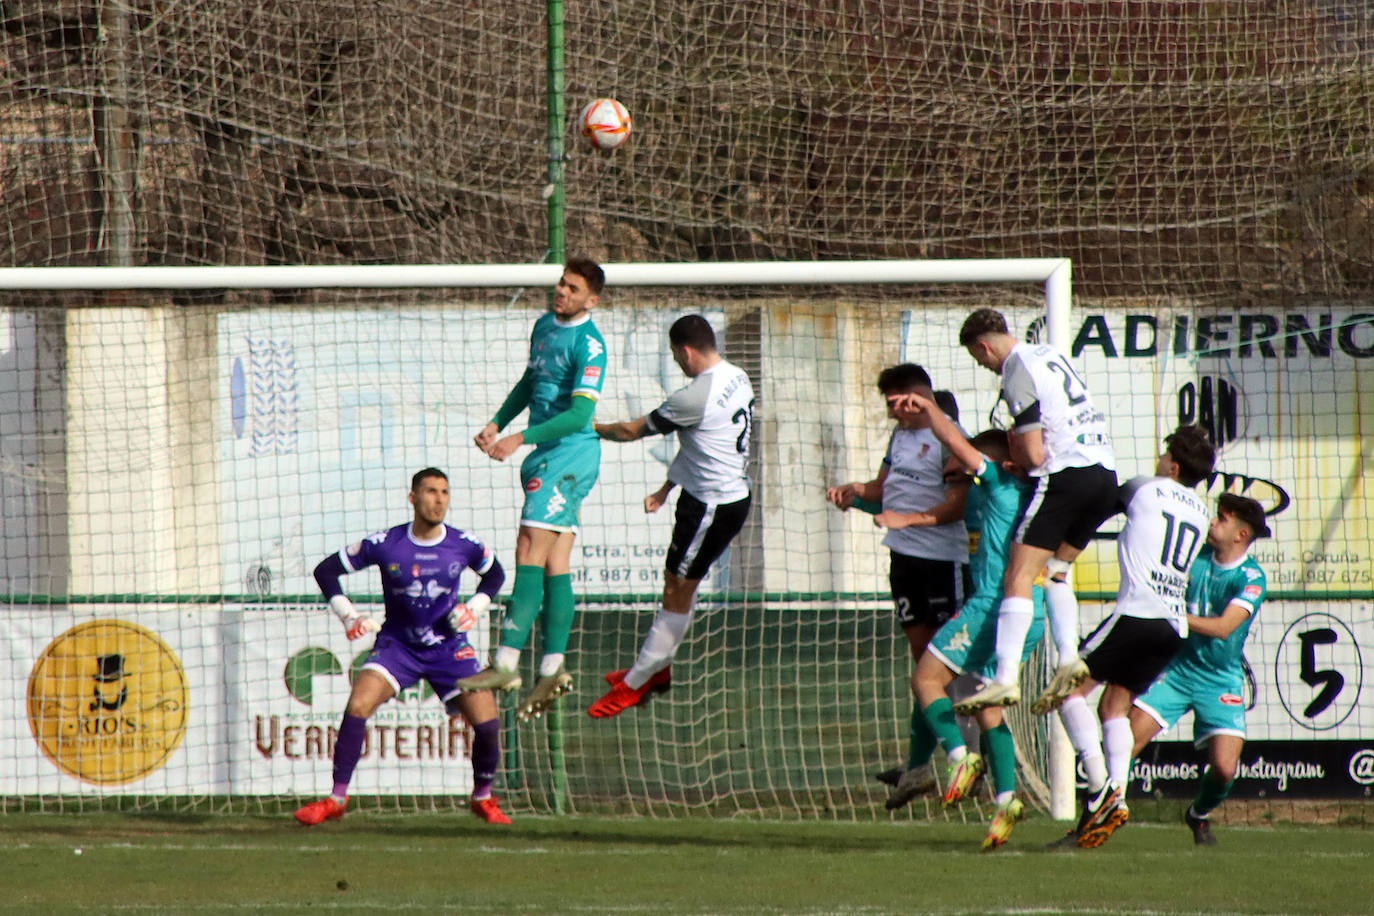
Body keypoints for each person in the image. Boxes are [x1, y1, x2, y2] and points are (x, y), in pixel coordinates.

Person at [294, 468, 510, 827]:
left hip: (450, 649)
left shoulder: (464, 543)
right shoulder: (386, 543)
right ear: (413, 497)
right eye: (430, 491)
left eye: (444, 492)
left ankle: (483, 798)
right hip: (398, 647)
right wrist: (348, 616)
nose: (439, 499)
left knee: (487, 725)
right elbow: (325, 571)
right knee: (358, 704)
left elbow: (496, 574)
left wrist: (474, 608)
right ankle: (336, 799)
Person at [883, 391, 1047, 850]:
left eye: (968, 465)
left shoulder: (998, 485)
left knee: (926, 680)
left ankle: (960, 758)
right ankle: (1007, 800)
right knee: (988, 706)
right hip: (1028, 614)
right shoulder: (1024, 500)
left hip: (992, 607)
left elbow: (958, 444)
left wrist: (930, 412)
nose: (959, 470)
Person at [1050, 424, 1215, 849]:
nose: (1157, 461)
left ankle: (1100, 788)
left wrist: (1062, 549)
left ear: (1172, 465)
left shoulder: (1146, 488)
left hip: (1136, 614)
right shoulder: (1199, 511)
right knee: (1114, 705)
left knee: (1066, 692)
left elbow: (1100, 504)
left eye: (1164, 456)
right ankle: (1116, 797)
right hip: (1172, 625)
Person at [459, 258, 609, 720]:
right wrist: (497, 421)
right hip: (546, 453)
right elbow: (531, 382)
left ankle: (505, 662)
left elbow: (581, 417)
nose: (561, 291)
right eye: (561, 283)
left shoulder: (592, 345)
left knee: (528, 547)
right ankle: (552, 666)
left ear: (592, 299)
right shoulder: (544, 324)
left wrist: (519, 437)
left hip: (569, 455)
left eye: (572, 287)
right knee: (554, 558)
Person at [585, 314, 756, 717]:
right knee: (676, 582)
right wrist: (666, 489)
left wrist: (589, 428)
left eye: (676, 356)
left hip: (711, 507)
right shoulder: (737, 375)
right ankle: (656, 669)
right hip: (717, 496)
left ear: (684, 351)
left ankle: (636, 682)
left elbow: (631, 431)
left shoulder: (692, 397)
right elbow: (703, 443)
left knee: (679, 588)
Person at [954, 308, 1118, 715]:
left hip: (1067, 475)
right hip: (1105, 473)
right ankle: (1067, 658)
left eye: (981, 361)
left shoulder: (1015, 368)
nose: (988, 369)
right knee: (1057, 570)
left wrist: (1021, 464)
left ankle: (1004, 677)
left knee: (1019, 573)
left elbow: (1033, 451)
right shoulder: (1048, 353)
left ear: (984, 345)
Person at [826, 364, 970, 795]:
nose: (891, 412)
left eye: (895, 403)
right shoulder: (900, 436)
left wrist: (904, 519)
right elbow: (884, 487)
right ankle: (921, 766)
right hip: (903, 562)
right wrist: (855, 491)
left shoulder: (950, 439)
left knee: (946, 672)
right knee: (922, 666)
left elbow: (957, 506)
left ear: (915, 396)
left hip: (943, 563)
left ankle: (969, 762)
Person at [1129, 493, 1270, 846]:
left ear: (1240, 534)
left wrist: (1174, 617)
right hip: (1177, 670)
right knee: (1123, 743)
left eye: (1221, 518)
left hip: (1220, 678)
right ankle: (1097, 812)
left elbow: (1223, 628)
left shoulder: (1251, 577)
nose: (1212, 522)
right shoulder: (1195, 560)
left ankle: (1198, 814)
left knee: (1224, 769)